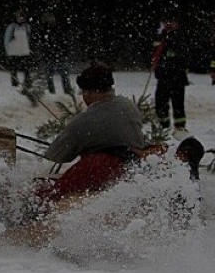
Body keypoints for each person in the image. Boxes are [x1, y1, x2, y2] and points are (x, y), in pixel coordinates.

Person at [36, 64, 149, 204]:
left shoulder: (83, 122)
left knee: (47, 195)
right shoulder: (129, 106)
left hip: (99, 170)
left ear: (88, 93)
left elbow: (56, 155)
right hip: (132, 167)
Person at [151, 12, 191, 136]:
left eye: (171, 21)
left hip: (177, 77)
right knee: (160, 103)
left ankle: (180, 128)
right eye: (166, 21)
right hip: (163, 77)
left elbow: (182, 56)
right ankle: (164, 126)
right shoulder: (161, 36)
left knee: (178, 104)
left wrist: (168, 54)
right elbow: (155, 52)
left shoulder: (180, 37)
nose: (168, 24)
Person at [37, 12, 73, 95]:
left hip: (59, 55)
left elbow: (64, 41)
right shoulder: (43, 30)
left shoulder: (59, 28)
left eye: (51, 18)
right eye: (48, 19)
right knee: (50, 76)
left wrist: (64, 52)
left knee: (64, 75)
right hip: (50, 56)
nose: (50, 20)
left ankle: (68, 92)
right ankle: (52, 93)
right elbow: (42, 44)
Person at [3, 9, 33, 87]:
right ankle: (14, 84)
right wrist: (7, 50)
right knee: (13, 69)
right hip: (14, 52)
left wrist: (29, 49)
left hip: (24, 52)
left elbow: (29, 39)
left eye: (22, 17)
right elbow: (6, 39)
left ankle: (27, 83)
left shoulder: (27, 27)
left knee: (26, 69)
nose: (20, 18)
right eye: (19, 17)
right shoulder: (11, 27)